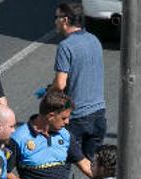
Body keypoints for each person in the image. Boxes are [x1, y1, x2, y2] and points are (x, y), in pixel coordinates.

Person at [47, 2, 106, 160]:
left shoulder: (66, 46)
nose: (54, 22)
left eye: (56, 17)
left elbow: (60, 84)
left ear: (65, 20)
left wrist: (49, 92)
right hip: (99, 114)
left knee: (61, 160)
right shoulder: (94, 40)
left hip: (77, 117)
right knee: (95, 165)